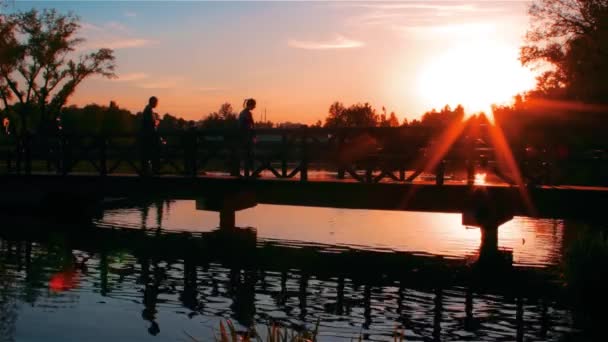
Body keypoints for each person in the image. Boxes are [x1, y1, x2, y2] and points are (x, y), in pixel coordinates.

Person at [140, 96, 160, 175]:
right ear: (153, 102)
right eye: (156, 102)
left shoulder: (147, 110)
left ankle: (149, 171)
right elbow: (151, 123)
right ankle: (151, 171)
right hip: (149, 137)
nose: (157, 104)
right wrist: (157, 121)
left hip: (147, 137)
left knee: (148, 155)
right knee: (150, 154)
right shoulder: (148, 110)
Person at [239, 98, 256, 177]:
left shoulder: (243, 113)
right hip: (246, 138)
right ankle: (251, 173)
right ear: (251, 105)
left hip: (244, 137)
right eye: (254, 105)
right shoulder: (247, 113)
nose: (254, 107)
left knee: (247, 155)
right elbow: (251, 124)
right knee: (249, 154)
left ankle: (248, 173)